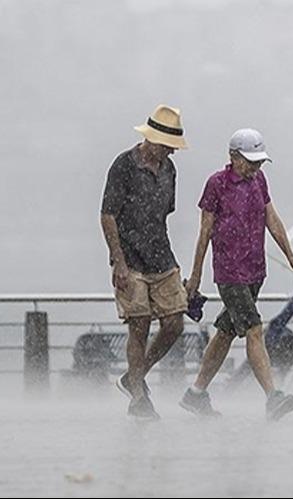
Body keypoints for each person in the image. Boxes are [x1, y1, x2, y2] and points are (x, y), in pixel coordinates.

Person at [181, 128, 293, 420]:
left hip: (254, 270)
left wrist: (290, 255)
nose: (254, 168)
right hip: (230, 272)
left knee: (225, 331)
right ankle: (273, 397)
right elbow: (204, 233)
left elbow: (271, 218)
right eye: (250, 162)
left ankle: (195, 393)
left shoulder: (259, 180)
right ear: (233, 156)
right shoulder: (217, 184)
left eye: (259, 162)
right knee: (253, 328)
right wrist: (196, 276)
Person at [100, 105, 189, 419]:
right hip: (130, 260)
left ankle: (135, 375)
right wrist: (119, 262)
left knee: (175, 322)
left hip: (162, 257)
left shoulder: (168, 170)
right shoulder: (124, 165)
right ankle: (138, 396)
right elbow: (108, 215)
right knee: (139, 326)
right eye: (168, 146)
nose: (171, 153)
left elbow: (163, 215)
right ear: (152, 139)